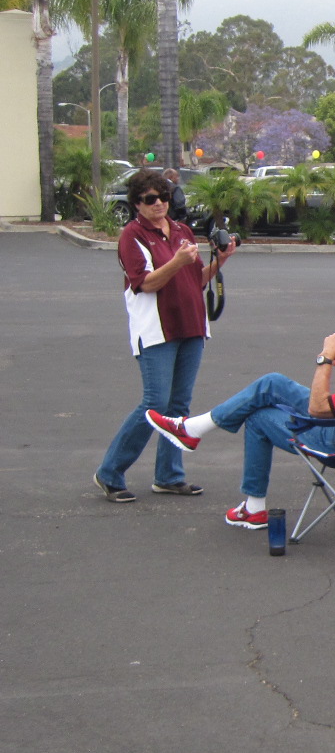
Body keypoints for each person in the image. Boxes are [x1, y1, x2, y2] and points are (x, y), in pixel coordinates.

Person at [145, 304, 335, 529]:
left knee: (259, 416)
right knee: (271, 384)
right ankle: (193, 432)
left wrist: (326, 359)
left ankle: (251, 502)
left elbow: (318, 408)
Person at [94, 169, 235, 503]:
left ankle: (169, 475)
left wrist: (221, 261)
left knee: (178, 406)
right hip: (157, 330)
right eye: (150, 199)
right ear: (137, 203)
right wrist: (175, 261)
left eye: (164, 197)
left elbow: (195, 279)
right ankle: (110, 472)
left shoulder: (182, 230)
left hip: (191, 326)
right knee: (154, 404)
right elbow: (145, 282)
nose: (158, 204)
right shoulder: (133, 236)